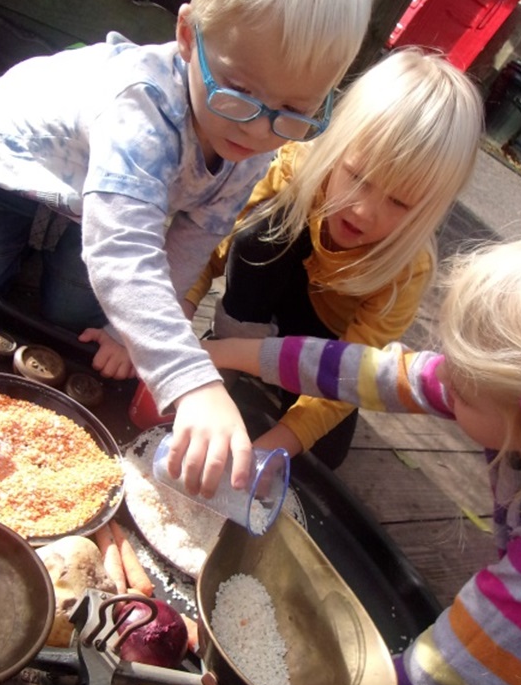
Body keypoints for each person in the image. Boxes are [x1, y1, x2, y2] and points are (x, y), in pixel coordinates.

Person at [0, 0, 372, 499]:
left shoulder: (256, 140)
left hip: (102, 195)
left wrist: (124, 330)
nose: (256, 129)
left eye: (295, 111)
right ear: (189, 36)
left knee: (78, 316)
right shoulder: (143, 107)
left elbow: (192, 236)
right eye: (239, 90)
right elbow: (120, 250)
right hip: (17, 154)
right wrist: (188, 377)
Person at [205, 226, 521, 685]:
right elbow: (379, 372)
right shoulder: (515, 403)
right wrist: (241, 355)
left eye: (463, 382)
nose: (444, 378)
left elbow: (453, 673)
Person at [184, 46, 484, 468]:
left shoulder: (407, 269)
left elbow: (354, 371)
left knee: (324, 454)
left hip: (328, 344)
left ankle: (261, 374)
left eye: (399, 202)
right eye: (358, 177)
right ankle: (232, 353)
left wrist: (275, 444)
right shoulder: (296, 168)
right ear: (337, 146)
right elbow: (211, 246)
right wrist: (178, 311)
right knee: (261, 236)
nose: (364, 211)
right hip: (263, 296)